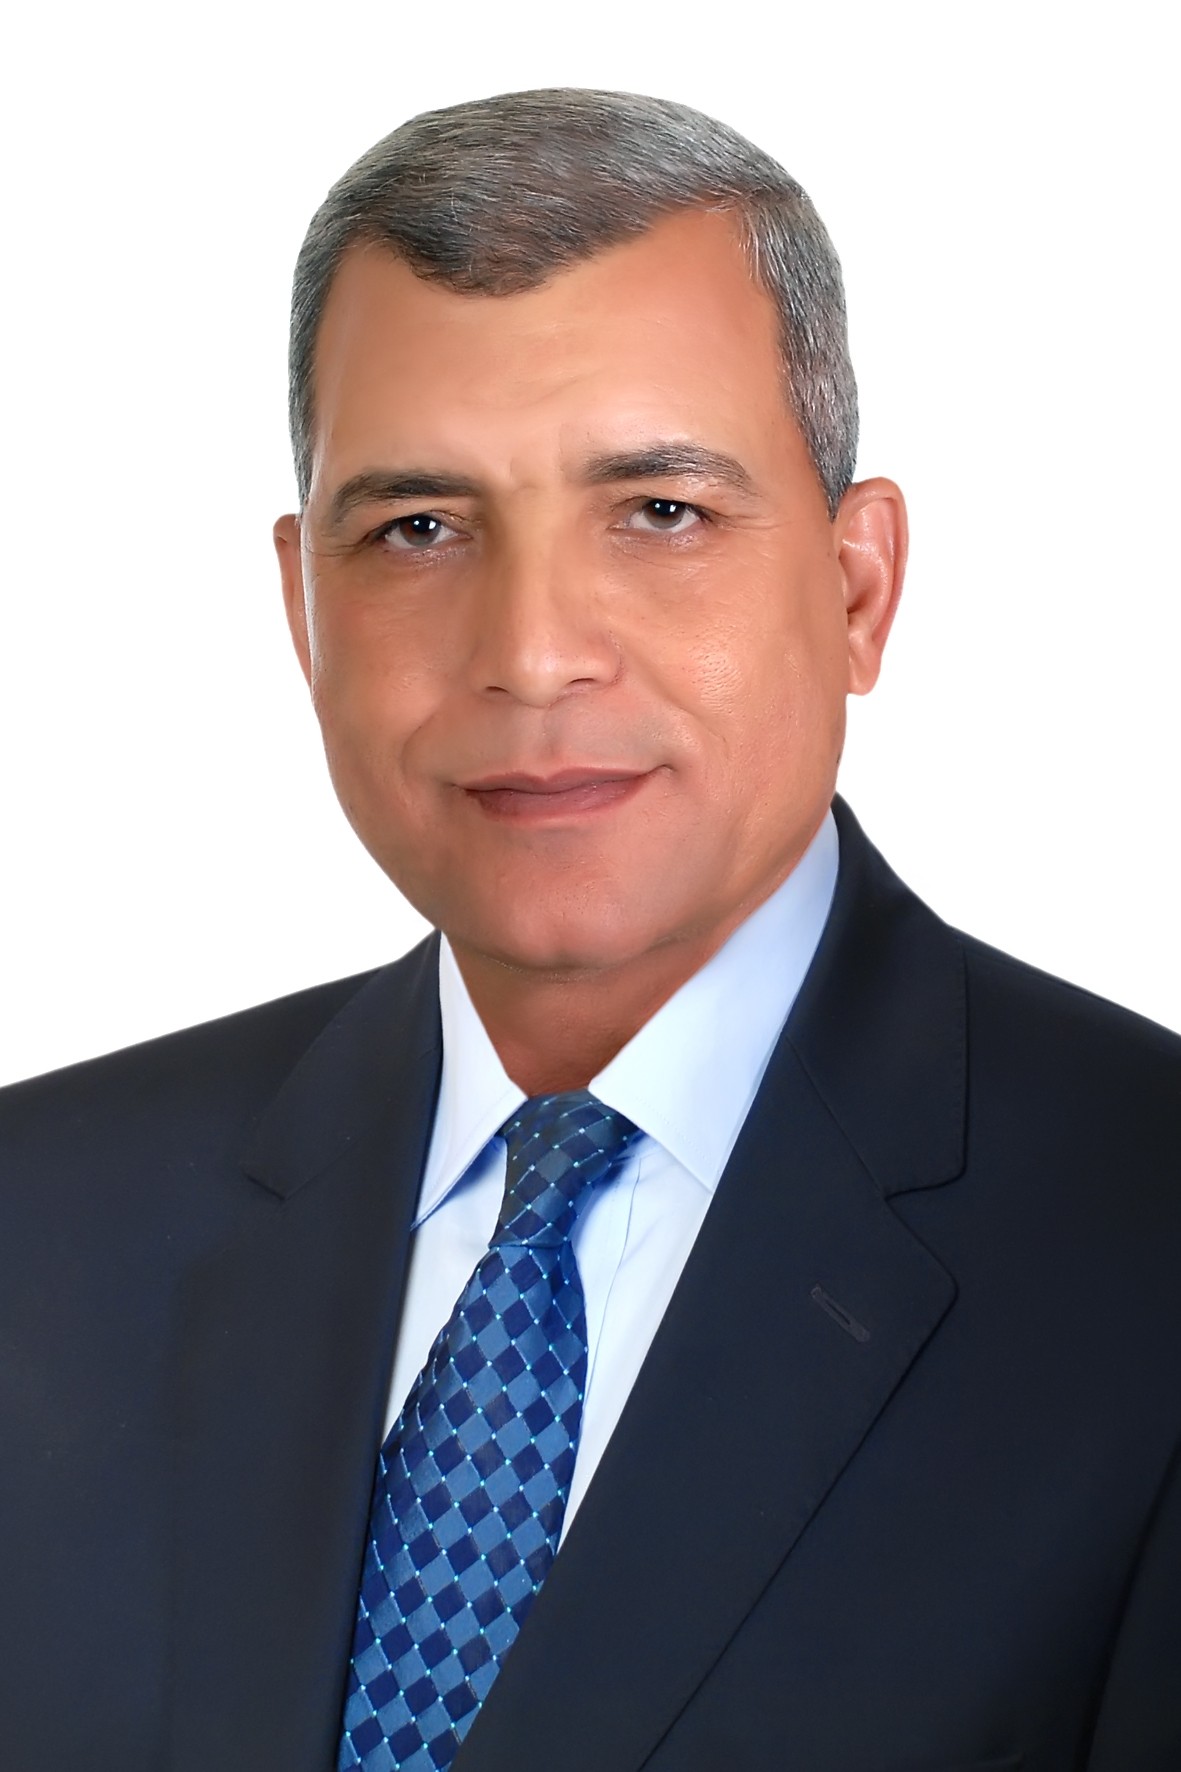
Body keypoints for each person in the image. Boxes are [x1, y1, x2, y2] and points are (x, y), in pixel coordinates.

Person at [1, 86, 1178, 1772]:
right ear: (303, 607)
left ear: (857, 588)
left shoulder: (1141, 1243)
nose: (532, 650)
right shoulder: (36, 1228)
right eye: (418, 529)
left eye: (659, 512)